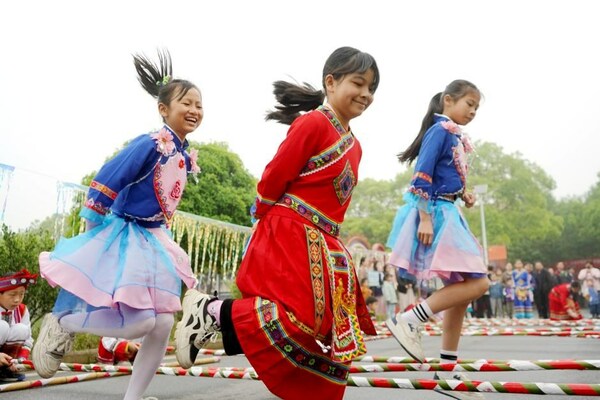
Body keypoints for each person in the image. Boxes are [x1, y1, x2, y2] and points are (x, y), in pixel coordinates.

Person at [174, 46, 379, 400]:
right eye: (358, 83)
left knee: (320, 331)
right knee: (294, 319)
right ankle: (211, 311)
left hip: (325, 242)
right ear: (331, 83)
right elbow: (273, 178)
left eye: (371, 87)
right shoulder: (313, 123)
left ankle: (212, 318)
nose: (365, 94)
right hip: (289, 230)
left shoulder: (355, 145)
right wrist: (265, 224)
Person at [31, 49, 201, 400]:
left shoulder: (182, 153)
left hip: (155, 239)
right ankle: (61, 322)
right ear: (163, 109)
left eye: (200, 105)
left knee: (164, 323)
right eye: (187, 102)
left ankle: (133, 398)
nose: (195, 110)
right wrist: (93, 232)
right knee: (143, 322)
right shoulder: (151, 143)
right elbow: (108, 177)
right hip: (125, 235)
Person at [385, 80, 488, 399]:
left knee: (461, 293)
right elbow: (422, 173)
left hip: (449, 209)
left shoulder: (452, 133)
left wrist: (464, 195)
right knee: (480, 283)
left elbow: (445, 176)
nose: (472, 111)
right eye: (469, 103)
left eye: (476, 107)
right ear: (448, 100)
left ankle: (449, 370)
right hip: (436, 214)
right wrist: (426, 217)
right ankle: (409, 319)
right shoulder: (441, 131)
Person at [0, 269, 37, 382]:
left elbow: (28, 339)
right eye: (12, 294)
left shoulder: (22, 310)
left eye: (21, 294)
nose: (17, 300)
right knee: (2, 326)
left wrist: (21, 360)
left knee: (22, 329)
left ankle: (6, 368)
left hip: (8, 358)